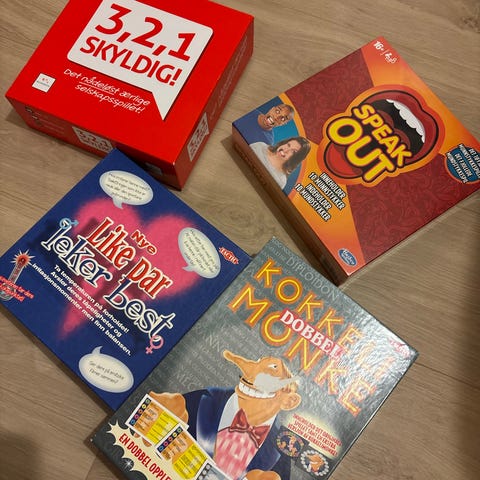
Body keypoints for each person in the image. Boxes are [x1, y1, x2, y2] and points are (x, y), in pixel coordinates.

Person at [150, 350, 302, 480]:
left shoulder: (281, 451)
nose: (247, 372)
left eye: (273, 369)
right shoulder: (202, 400)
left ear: (289, 401)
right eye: (258, 362)